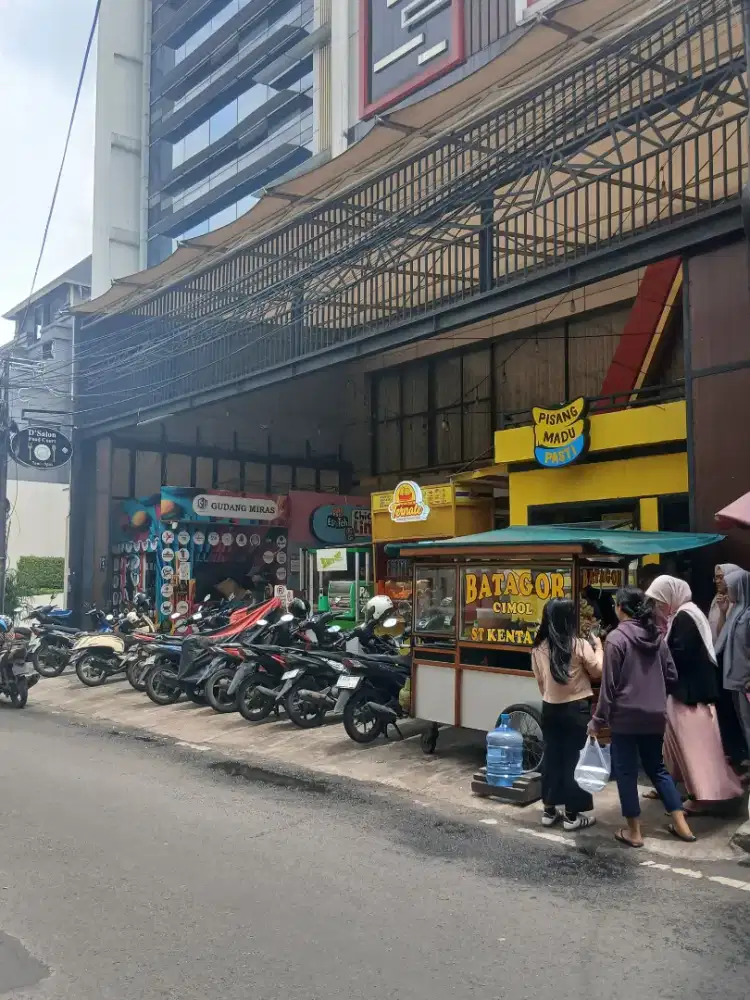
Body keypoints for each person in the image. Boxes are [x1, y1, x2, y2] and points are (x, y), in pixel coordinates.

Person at [590, 586, 695, 848]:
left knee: (626, 772)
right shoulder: (656, 636)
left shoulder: (616, 638)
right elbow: (672, 676)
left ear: (620, 607)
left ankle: (634, 833)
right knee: (657, 768)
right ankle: (682, 826)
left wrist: (597, 721)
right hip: (655, 715)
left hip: (625, 716)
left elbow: (608, 687)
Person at [645, 575, 742, 813]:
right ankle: (667, 785)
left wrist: (659, 654)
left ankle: (700, 796)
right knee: (673, 744)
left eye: (660, 601)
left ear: (671, 596)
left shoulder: (685, 617)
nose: (658, 607)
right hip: (685, 691)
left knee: (693, 748)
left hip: (689, 694)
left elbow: (682, 654)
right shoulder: (686, 614)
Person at [531, 599, 603, 831]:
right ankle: (572, 816)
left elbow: (540, 682)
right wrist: (599, 648)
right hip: (576, 709)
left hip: (550, 708)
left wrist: (552, 696)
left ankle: (549, 810)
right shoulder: (578, 645)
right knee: (575, 760)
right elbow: (598, 671)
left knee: (552, 757)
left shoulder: (539, 648)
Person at [715, 570, 750, 760]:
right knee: (743, 722)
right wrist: (723, 611)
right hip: (735, 677)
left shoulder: (748, 615)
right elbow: (723, 637)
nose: (727, 591)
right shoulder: (736, 611)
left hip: (746, 679)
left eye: (730, 588)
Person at [708, 564, 741, 642]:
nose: (717, 581)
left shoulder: (740, 603)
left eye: (721, 577)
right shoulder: (717, 598)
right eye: (716, 578)